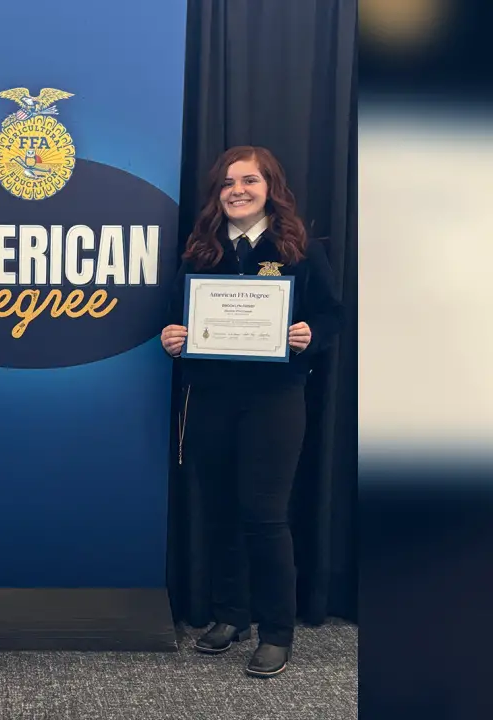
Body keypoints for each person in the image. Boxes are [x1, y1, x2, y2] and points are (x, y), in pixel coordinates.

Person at [161, 146, 343, 678]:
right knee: (218, 511)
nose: (236, 190)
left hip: (273, 400)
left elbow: (332, 315)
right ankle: (229, 616)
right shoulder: (202, 248)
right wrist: (172, 338)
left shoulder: (299, 246)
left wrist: (311, 336)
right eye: (226, 183)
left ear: (271, 187)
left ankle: (276, 632)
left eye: (249, 180)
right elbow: (178, 317)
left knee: (264, 516)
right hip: (211, 398)